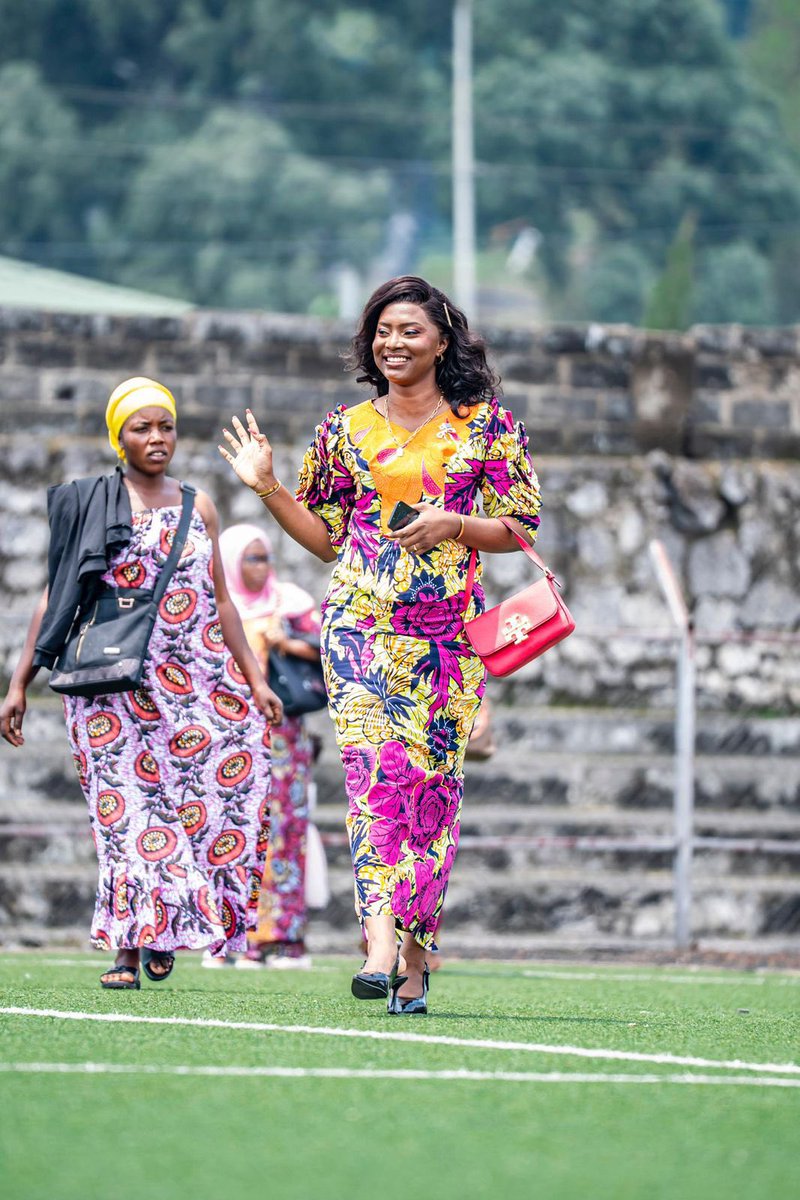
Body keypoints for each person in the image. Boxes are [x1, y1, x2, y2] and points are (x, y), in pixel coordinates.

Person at [218, 276, 541, 1015]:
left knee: (429, 799)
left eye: (410, 332)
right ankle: (379, 945)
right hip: (359, 630)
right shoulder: (343, 429)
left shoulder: (487, 426)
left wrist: (455, 525)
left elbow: (521, 526)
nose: (393, 344)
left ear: (443, 342)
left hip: (447, 645)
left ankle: (418, 960)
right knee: (373, 786)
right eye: (382, 332)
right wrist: (268, 487)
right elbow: (327, 542)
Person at [0, 377, 282, 989]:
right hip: (110, 688)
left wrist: (256, 681)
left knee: (203, 807)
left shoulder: (197, 505)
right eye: (140, 428)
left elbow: (224, 603)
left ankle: (170, 924)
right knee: (126, 815)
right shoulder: (90, 503)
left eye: (166, 426)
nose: (156, 438)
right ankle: (128, 949)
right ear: (117, 437)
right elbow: (55, 597)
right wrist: (19, 682)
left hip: (197, 684)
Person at [217, 523, 322, 970]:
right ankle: (232, 937)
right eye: (251, 559)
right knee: (232, 832)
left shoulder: (291, 602)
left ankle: (283, 938)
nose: (262, 567)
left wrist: (288, 643)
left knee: (286, 834)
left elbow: (329, 647)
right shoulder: (216, 604)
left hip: (284, 740)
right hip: (228, 734)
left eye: (265, 557)